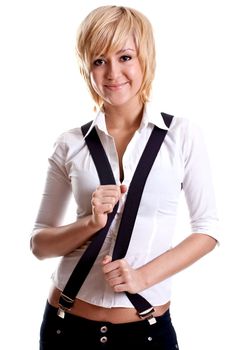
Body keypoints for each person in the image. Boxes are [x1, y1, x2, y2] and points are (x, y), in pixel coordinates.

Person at [30, 5, 219, 350]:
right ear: (87, 67)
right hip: (65, 329)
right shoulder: (70, 144)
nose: (113, 72)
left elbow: (207, 230)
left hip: (146, 332)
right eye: (99, 60)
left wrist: (143, 277)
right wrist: (89, 224)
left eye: (125, 56)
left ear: (145, 58)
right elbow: (39, 245)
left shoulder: (182, 136)